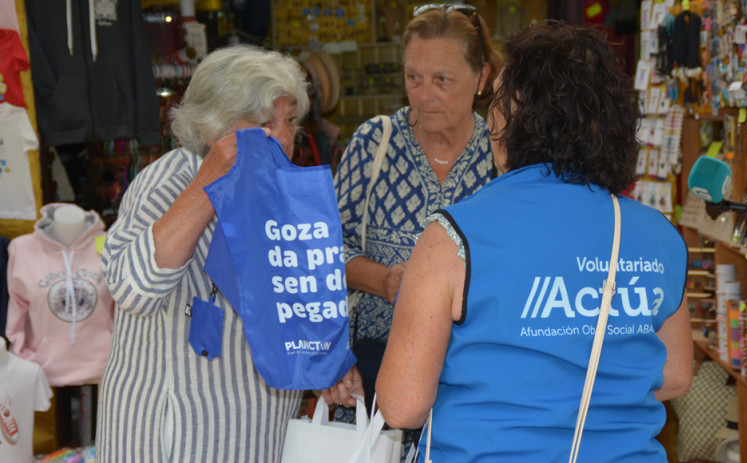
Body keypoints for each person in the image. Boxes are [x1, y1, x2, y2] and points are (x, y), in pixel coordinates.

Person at [375, 21, 694, 462]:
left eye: (497, 103)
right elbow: (674, 377)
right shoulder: (658, 234)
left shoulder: (452, 235)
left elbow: (402, 404)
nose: (489, 118)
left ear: (519, 117)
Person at [95, 45, 311, 462]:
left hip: (257, 427)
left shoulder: (279, 191)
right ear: (216, 130)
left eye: (290, 121)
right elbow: (133, 288)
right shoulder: (170, 179)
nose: (284, 140)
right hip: (177, 434)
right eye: (265, 124)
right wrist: (209, 183)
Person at [324, 3, 503, 420]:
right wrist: (383, 280)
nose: (423, 94)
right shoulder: (375, 143)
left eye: (442, 80)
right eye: (413, 78)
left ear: (481, 78)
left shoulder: (500, 153)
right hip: (372, 378)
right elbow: (325, 250)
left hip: (472, 383)